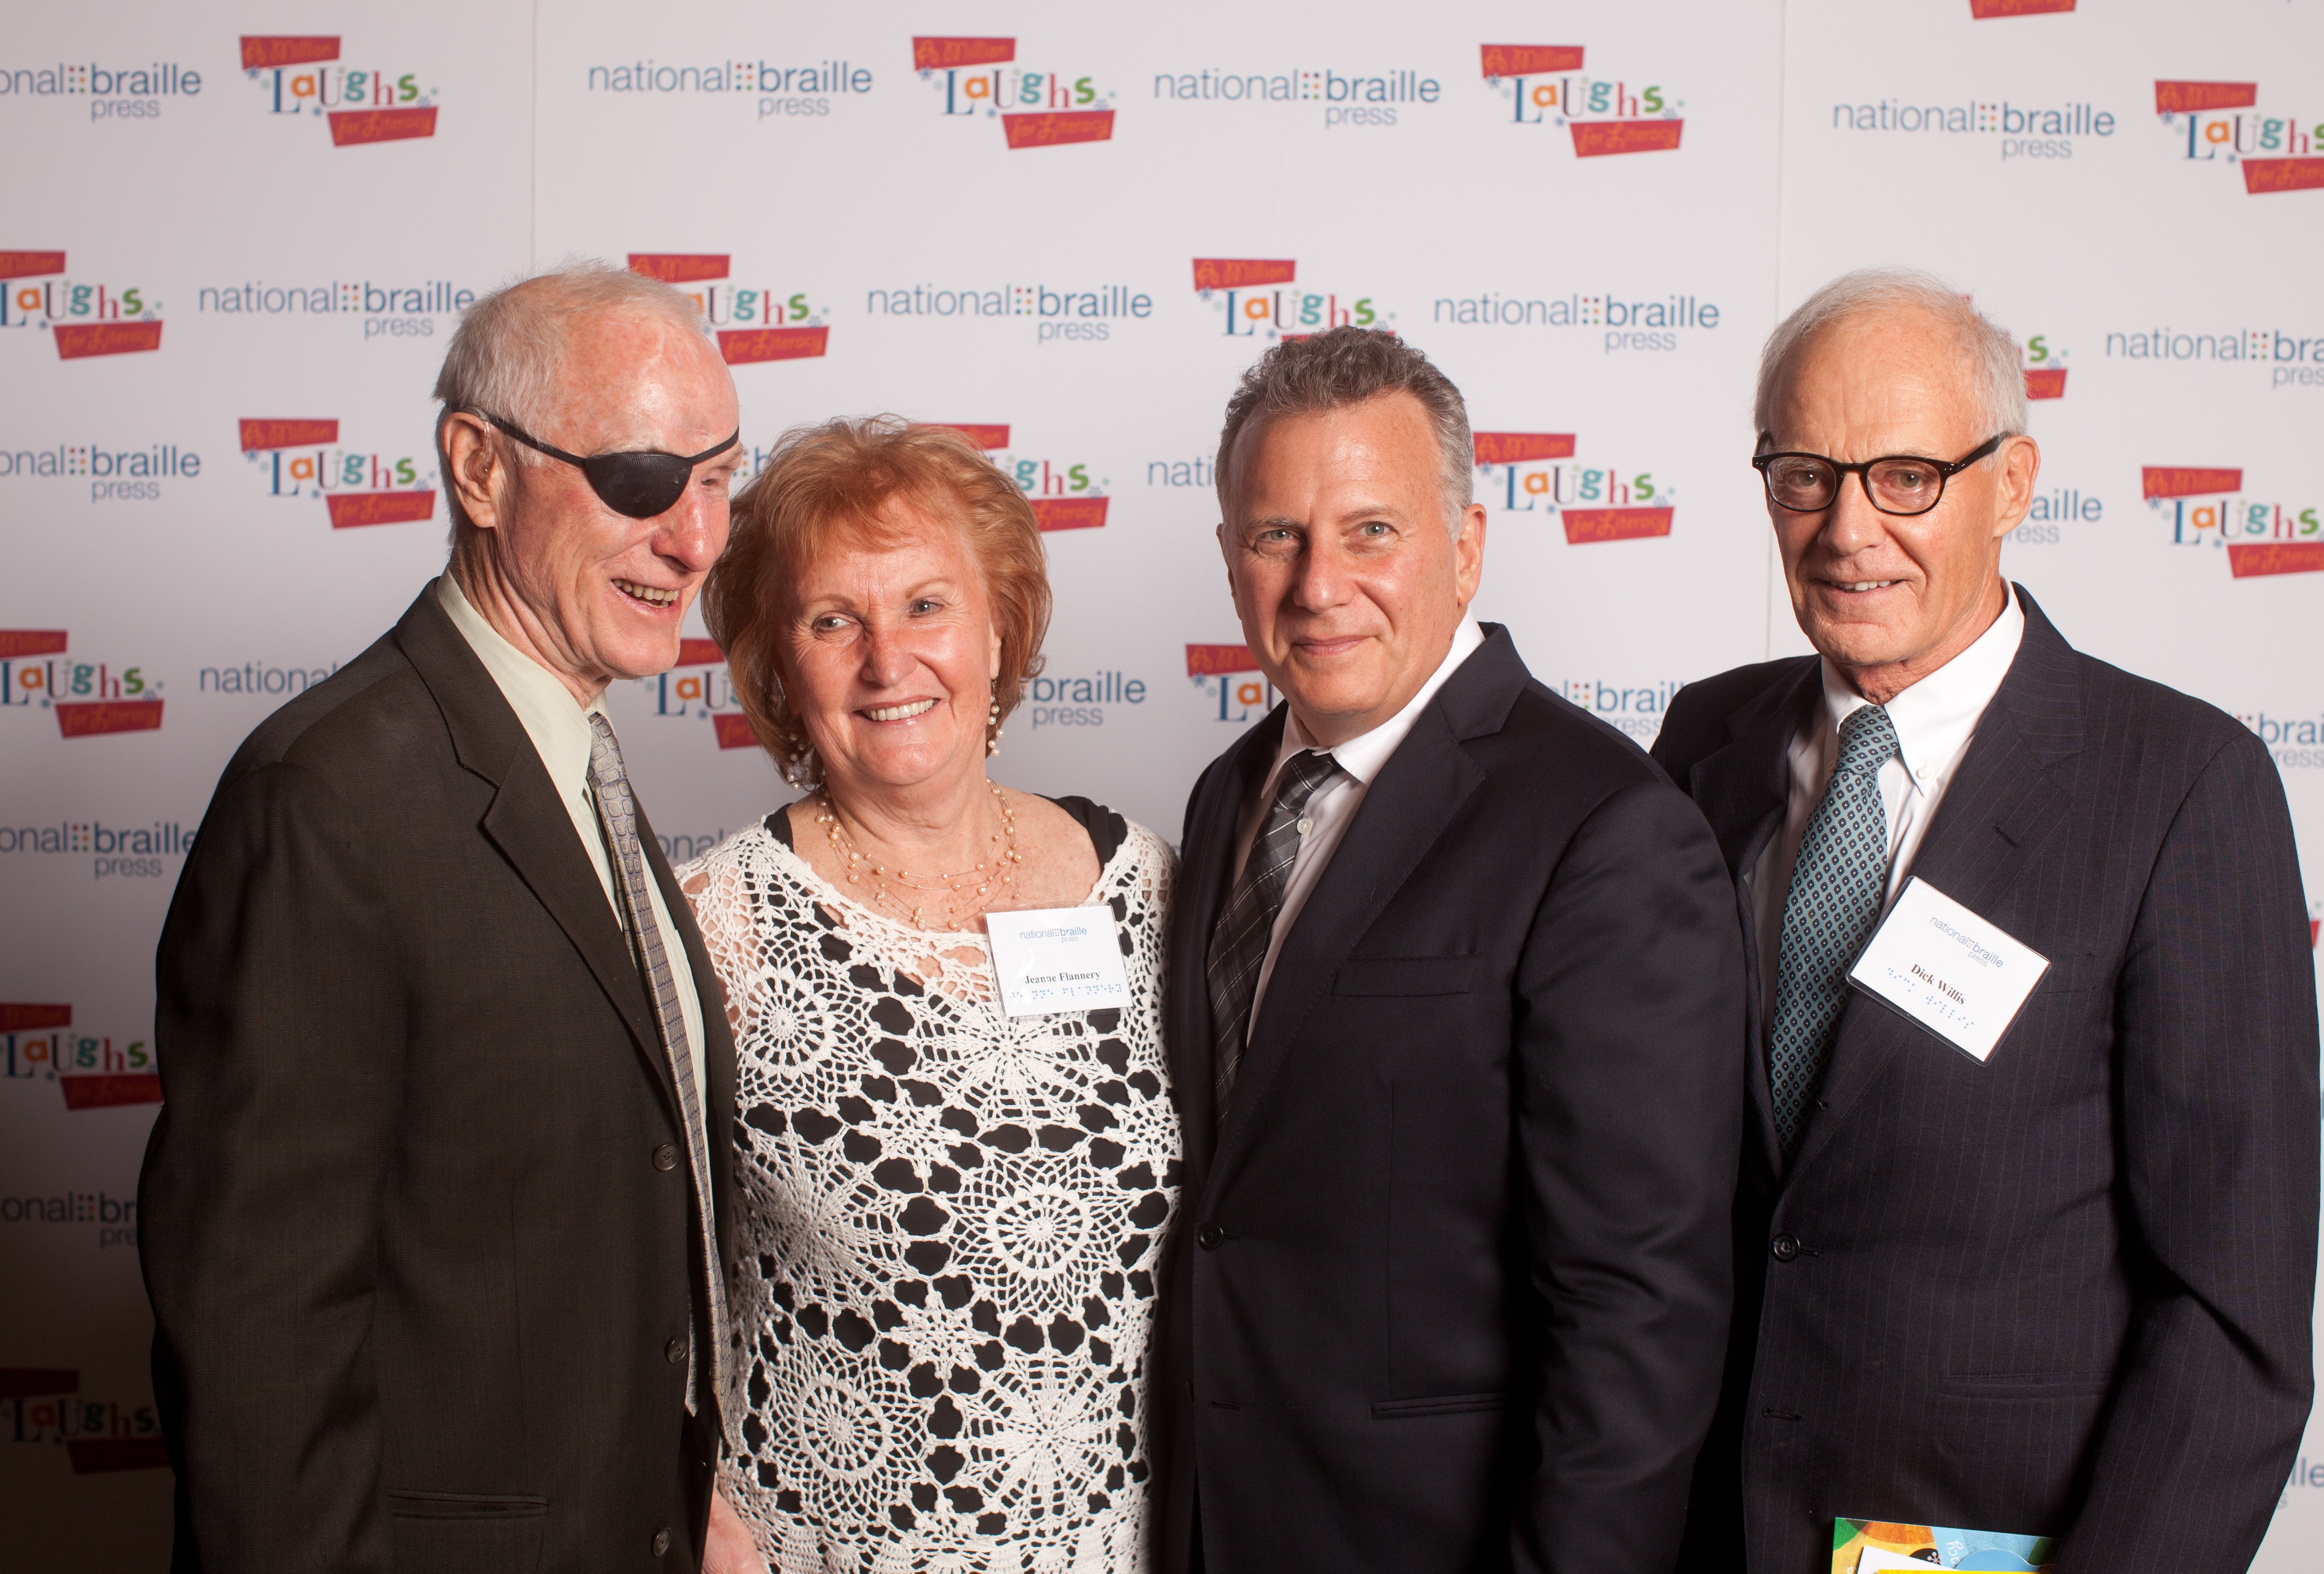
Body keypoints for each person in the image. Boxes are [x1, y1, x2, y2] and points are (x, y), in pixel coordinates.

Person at [1654, 268, 2318, 1573]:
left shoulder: (2179, 786)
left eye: (1906, 474)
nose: (1849, 528)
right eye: (1804, 473)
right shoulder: (1703, 743)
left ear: (2011, 484)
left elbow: (2229, 1320)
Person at [139, 262, 744, 1571]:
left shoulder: (569, 757)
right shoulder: (327, 796)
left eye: (718, 479)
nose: (692, 538)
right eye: (641, 477)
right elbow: (259, 1334)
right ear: (478, 467)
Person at [1149, 326, 1746, 1572]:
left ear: (1464, 548)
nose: (1318, 584)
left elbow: (1639, 1311)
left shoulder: (1604, 828)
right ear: (1226, 558)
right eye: (1276, 536)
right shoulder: (1225, 796)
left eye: (1371, 530)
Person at [680, 417, 1181, 1574]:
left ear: (1000, 629)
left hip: (1123, 1545)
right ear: (779, 665)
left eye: (924, 605)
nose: (885, 660)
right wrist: (705, 1519)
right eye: (830, 619)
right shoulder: (718, 926)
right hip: (823, 1545)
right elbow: (604, 1275)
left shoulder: (1148, 887)